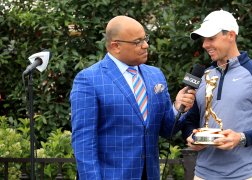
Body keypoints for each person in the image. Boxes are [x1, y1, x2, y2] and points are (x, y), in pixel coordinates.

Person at [70, 15, 196, 179]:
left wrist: (178, 107)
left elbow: (167, 130)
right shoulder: (89, 80)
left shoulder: (155, 75)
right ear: (116, 46)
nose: (146, 45)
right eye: (138, 42)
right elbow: (83, 142)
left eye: (145, 39)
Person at [181, 10, 252, 180]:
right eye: (204, 39)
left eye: (211, 38)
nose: (204, 45)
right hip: (202, 174)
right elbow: (190, 120)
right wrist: (191, 137)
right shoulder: (202, 75)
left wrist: (240, 138)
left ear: (230, 35)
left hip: (246, 175)